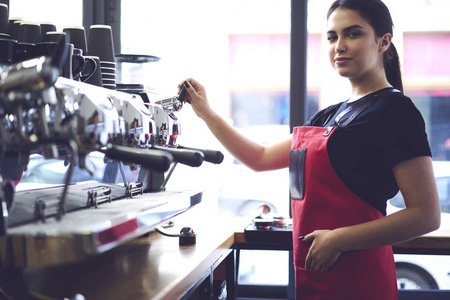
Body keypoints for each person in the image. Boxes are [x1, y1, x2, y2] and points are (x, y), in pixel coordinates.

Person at [179, 0, 441, 299]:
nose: (339, 46)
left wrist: (339, 239)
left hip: (360, 279)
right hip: (317, 276)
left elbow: (425, 215)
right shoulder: (328, 115)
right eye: (332, 37)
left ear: (384, 41)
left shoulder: (395, 111)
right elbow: (260, 158)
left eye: (353, 34)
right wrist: (206, 113)